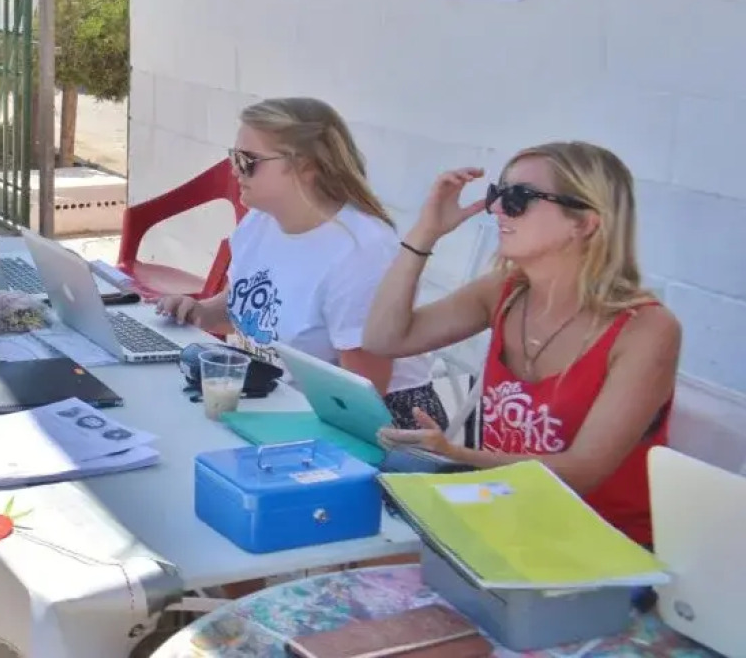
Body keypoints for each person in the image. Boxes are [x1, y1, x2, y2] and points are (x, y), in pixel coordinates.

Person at [363, 141, 680, 548]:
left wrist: (457, 455)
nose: (496, 208)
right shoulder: (505, 291)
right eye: (497, 193)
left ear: (584, 222)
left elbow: (582, 473)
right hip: (504, 520)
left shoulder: (646, 329)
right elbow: (384, 339)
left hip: (602, 546)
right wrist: (426, 232)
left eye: (519, 197)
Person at [152, 97, 446, 430]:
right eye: (234, 157)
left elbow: (363, 394)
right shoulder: (261, 221)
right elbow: (247, 309)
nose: (234, 170)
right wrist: (200, 311)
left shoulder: (361, 250)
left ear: (305, 166)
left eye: (248, 160)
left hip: (377, 421)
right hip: (279, 398)